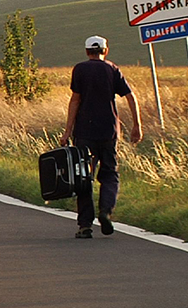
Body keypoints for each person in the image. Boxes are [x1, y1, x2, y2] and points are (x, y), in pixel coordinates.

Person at [60, 36, 142, 239]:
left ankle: (85, 225)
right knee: (109, 174)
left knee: (83, 177)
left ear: (87, 51)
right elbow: (131, 96)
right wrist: (137, 126)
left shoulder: (79, 69)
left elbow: (75, 100)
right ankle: (106, 211)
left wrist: (67, 131)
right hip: (109, 131)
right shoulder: (112, 69)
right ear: (106, 50)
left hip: (84, 132)